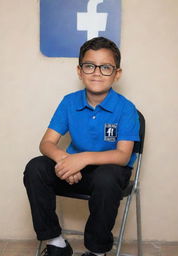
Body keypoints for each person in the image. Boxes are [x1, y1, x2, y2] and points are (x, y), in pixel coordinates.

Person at [23, 37, 140, 256]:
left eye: (106, 67)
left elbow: (123, 156)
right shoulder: (69, 102)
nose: (97, 73)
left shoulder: (126, 109)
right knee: (35, 168)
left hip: (109, 175)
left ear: (117, 74)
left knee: (107, 177)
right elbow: (46, 143)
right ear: (79, 71)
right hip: (73, 171)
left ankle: (97, 251)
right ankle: (56, 243)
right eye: (89, 66)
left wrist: (83, 158)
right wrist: (65, 160)